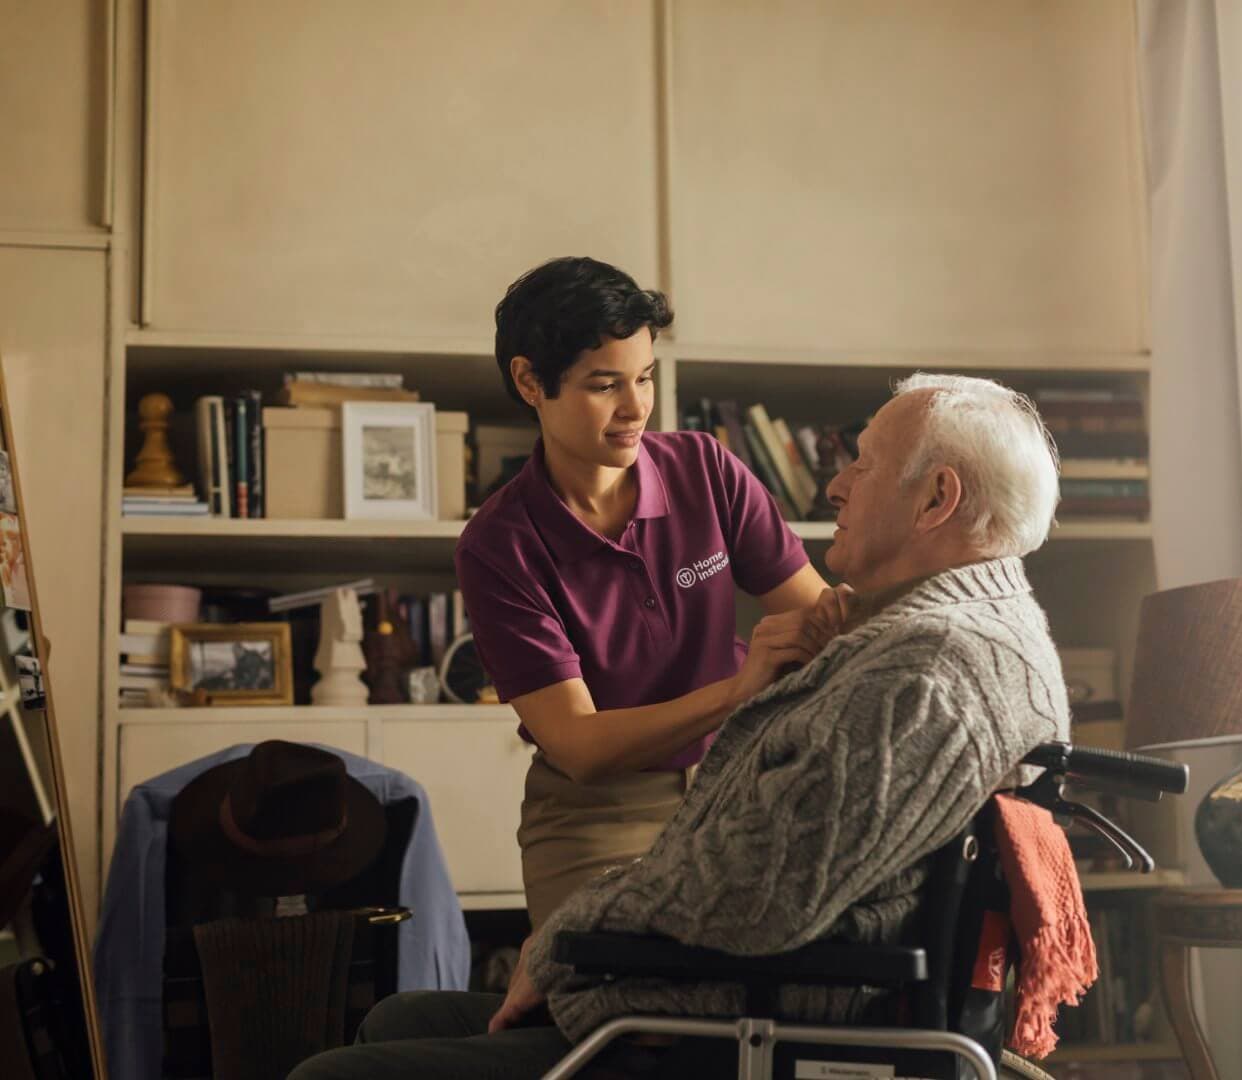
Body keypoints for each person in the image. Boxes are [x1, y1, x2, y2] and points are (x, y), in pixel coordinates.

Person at [291, 372, 1072, 1080]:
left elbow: (760, 893)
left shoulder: (925, 672)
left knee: (334, 1074)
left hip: (752, 1023)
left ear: (936, 500)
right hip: (757, 980)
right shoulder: (972, 631)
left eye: (862, 465)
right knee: (400, 1018)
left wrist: (563, 937)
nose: (834, 486)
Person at [454, 256, 834, 932]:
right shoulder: (498, 546)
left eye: (645, 377)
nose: (636, 409)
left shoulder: (707, 470)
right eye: (605, 385)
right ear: (530, 381)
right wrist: (737, 692)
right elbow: (580, 745)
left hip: (744, 777)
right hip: (600, 813)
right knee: (587, 988)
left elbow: (822, 620)